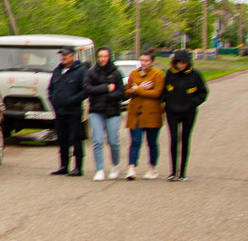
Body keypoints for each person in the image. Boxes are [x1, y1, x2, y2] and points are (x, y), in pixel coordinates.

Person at [161, 49, 209, 181]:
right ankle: (173, 172)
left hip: (189, 112)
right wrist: (166, 100)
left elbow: (203, 93)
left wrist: (193, 103)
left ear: (188, 62)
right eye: (178, 63)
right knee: (174, 139)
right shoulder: (170, 74)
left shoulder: (195, 75)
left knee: (185, 140)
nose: (181, 65)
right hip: (172, 112)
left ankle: (182, 172)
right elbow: (163, 90)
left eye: (183, 63)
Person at [84, 47, 126, 181]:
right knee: (97, 140)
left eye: (105, 56)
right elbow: (87, 88)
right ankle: (99, 169)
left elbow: (121, 92)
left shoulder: (116, 73)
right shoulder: (91, 72)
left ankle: (115, 165)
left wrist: (108, 96)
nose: (102, 59)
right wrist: (106, 88)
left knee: (113, 141)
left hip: (112, 111)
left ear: (109, 57)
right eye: (100, 56)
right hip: (96, 111)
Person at [123, 50, 165, 180]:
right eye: (142, 60)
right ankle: (131, 167)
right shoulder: (133, 73)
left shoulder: (157, 74)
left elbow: (157, 93)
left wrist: (138, 89)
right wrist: (136, 89)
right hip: (136, 113)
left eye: (146, 61)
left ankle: (153, 168)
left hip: (152, 114)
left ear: (152, 62)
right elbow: (127, 92)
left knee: (152, 142)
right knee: (135, 141)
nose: (144, 63)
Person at [47, 45, 89, 176]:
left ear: (72, 56)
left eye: (65, 54)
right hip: (59, 111)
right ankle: (64, 165)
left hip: (74, 112)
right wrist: (53, 100)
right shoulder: (57, 71)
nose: (63, 57)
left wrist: (73, 100)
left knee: (76, 138)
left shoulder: (81, 71)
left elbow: (85, 90)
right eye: (62, 55)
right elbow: (51, 89)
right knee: (62, 139)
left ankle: (78, 167)